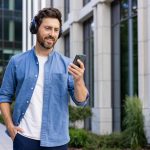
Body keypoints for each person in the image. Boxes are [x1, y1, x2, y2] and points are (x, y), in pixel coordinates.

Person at [0, 7, 88, 150]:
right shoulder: (17, 61)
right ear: (36, 28)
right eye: (47, 28)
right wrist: (9, 126)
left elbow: (81, 101)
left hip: (57, 141)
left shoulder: (67, 64)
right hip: (23, 138)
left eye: (55, 30)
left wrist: (79, 81)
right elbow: (4, 96)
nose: (52, 34)